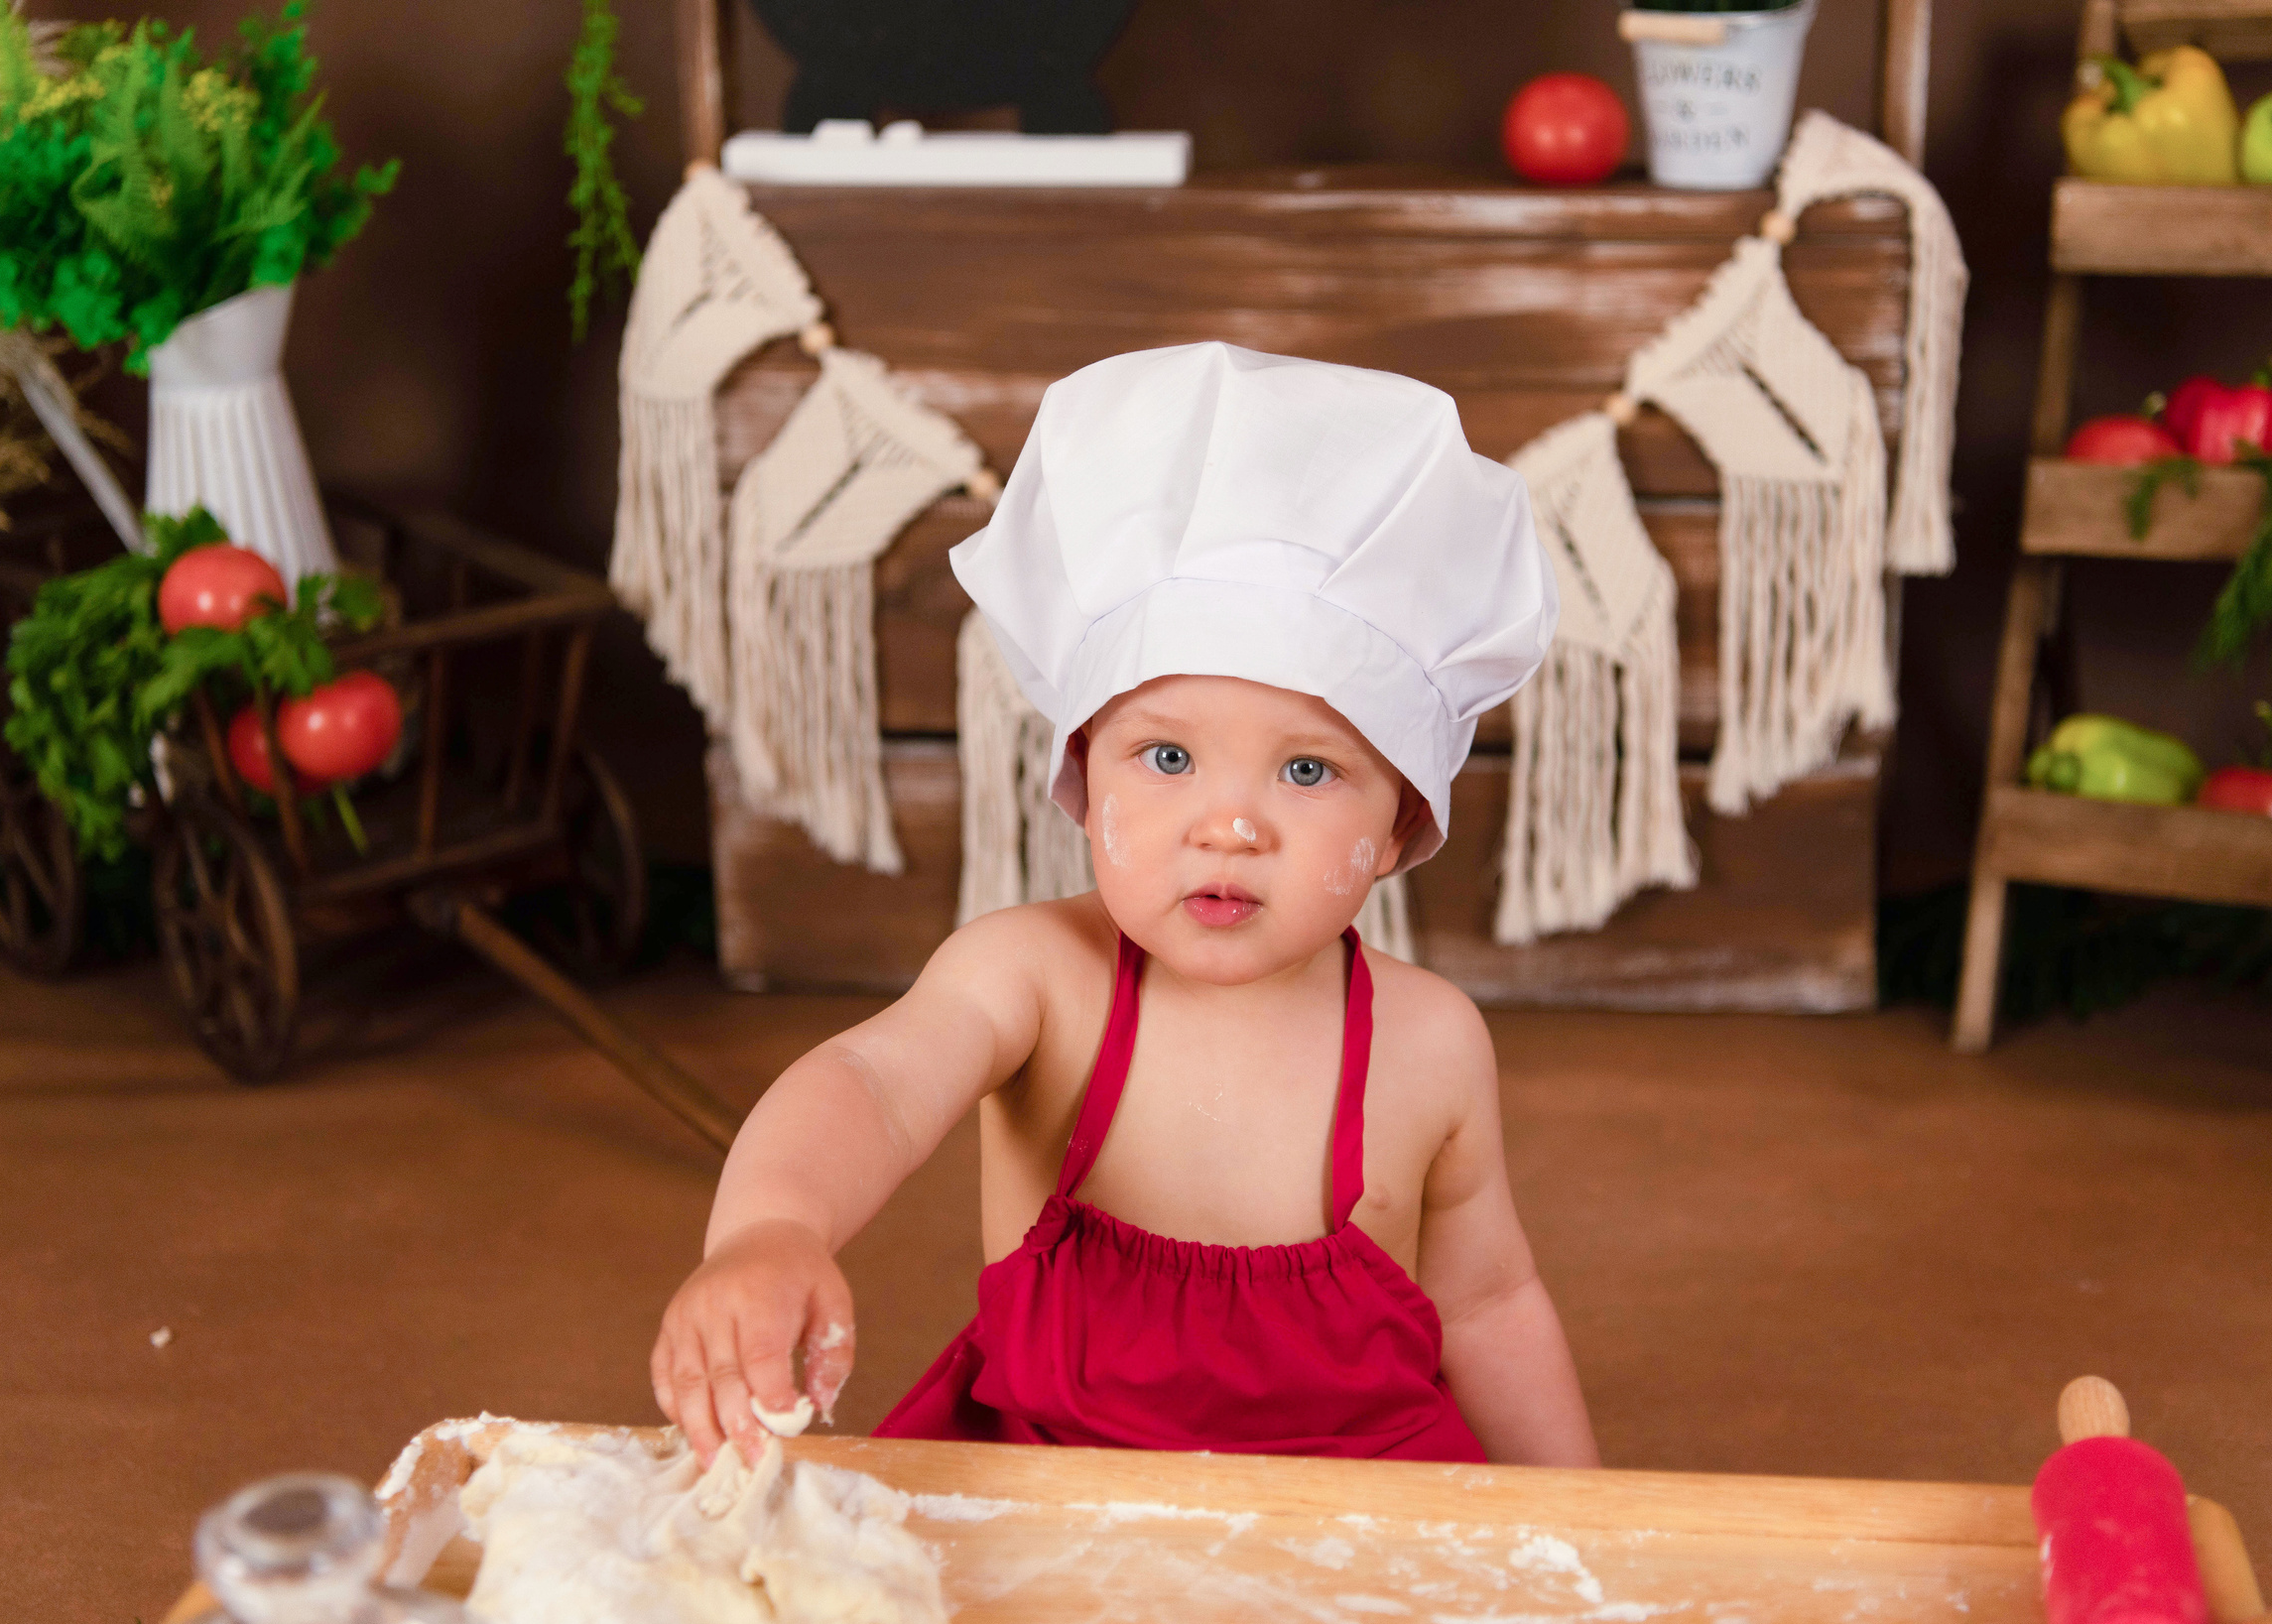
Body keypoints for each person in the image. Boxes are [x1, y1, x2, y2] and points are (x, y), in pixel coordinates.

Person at [653, 342, 1600, 1467]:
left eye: (1306, 772)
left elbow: (1488, 1306)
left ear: (1398, 824)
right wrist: (773, 1226)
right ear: (1081, 775)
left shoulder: (1430, 1041)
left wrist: (1588, 1535)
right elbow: (873, 1084)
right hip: (1062, 1481)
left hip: (1359, 1512)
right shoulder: (1035, 978)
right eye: (1164, 757)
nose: (1227, 825)